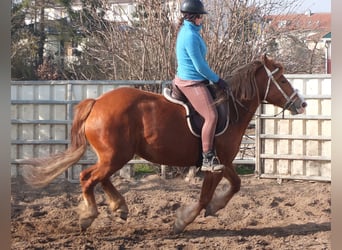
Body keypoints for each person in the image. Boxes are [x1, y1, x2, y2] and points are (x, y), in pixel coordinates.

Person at [174, 0, 228, 172]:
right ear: (195, 16)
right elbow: (200, 66)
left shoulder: (191, 32)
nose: (202, 20)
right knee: (211, 116)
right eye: (201, 16)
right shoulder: (189, 36)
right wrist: (217, 79)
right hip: (191, 81)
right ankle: (207, 159)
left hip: (195, 78)